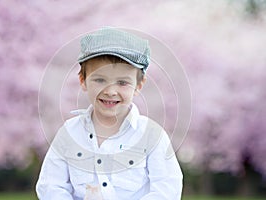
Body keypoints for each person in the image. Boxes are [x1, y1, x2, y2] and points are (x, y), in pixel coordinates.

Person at [36, 27, 183, 200]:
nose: (110, 91)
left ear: (139, 85)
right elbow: (51, 185)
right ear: (83, 81)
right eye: (99, 80)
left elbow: (167, 189)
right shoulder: (69, 132)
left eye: (122, 82)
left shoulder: (152, 135)